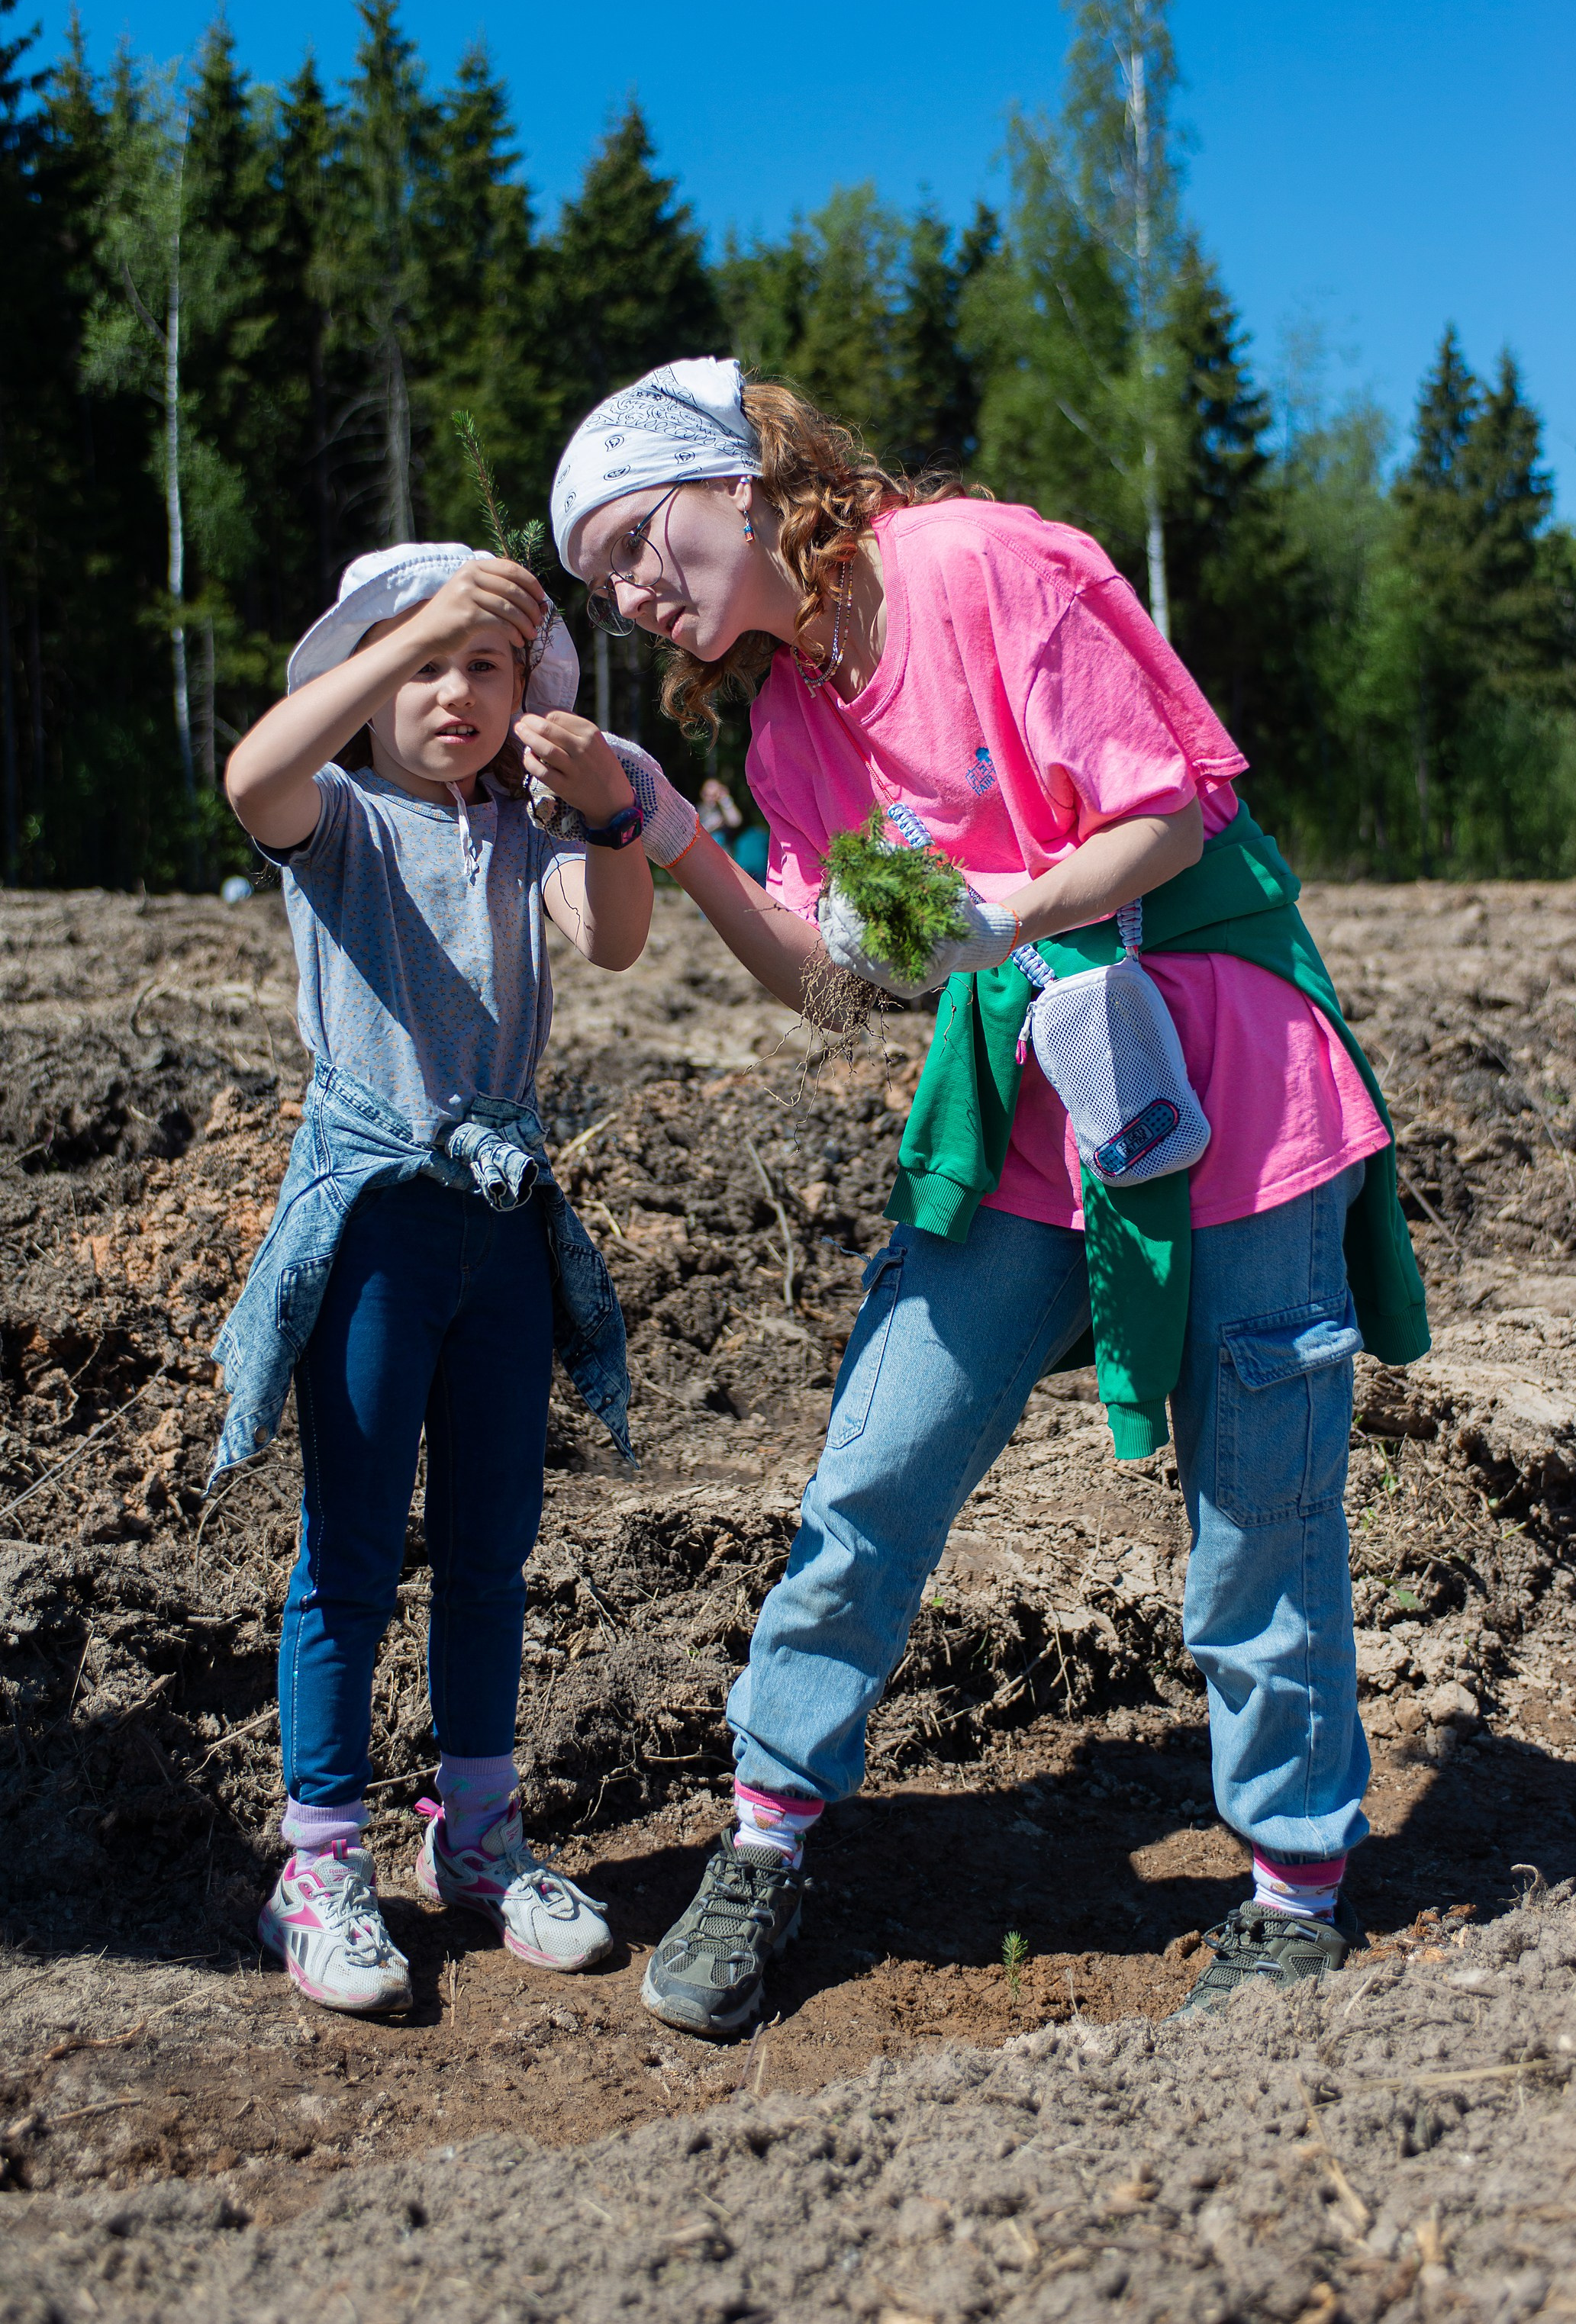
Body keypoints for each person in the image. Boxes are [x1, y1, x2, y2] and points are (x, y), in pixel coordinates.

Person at [552, 360, 1429, 2037]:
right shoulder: (787, 717)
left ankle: (1292, 1891)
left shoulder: (980, 563)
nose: (632, 595)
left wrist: (1007, 910)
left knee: (1260, 1510)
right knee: (876, 1458)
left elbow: (1166, 814)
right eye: (600, 584)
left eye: (636, 542)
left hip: (1222, 1073)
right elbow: (828, 981)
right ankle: (765, 1832)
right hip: (1028, 1094)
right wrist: (671, 835)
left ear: (739, 481)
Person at [216, 540, 698, 2017]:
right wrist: (415, 625)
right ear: (363, 685)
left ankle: (476, 1835)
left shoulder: (525, 835)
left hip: (499, 1227)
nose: (452, 692)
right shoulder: (341, 818)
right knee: (352, 1550)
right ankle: (318, 1859)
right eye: (421, 664)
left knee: (491, 1545)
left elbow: (617, 939)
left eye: (484, 665)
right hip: (374, 1222)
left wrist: (607, 809)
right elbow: (250, 779)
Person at [698, 773, 743, 846]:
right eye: (707, 795)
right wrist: (712, 826)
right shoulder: (696, 811)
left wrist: (725, 799)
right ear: (702, 794)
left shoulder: (723, 810)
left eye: (714, 795)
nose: (711, 799)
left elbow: (735, 822)